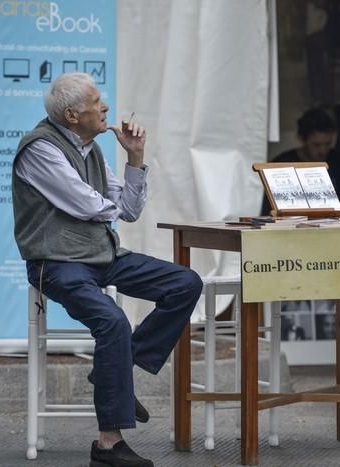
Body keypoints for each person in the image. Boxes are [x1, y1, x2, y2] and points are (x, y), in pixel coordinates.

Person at [12, 72, 202, 467]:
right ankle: (107, 446)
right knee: (112, 321)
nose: (106, 108)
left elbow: (129, 211)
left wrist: (135, 156)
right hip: (56, 263)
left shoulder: (91, 150)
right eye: (97, 102)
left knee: (185, 282)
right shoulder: (40, 149)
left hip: (102, 255)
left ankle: (116, 368)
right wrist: (109, 203)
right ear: (71, 115)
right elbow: (87, 205)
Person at [261, 108, 340, 215]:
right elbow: (269, 210)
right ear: (302, 139)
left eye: (328, 144)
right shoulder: (282, 165)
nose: (322, 151)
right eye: (316, 145)